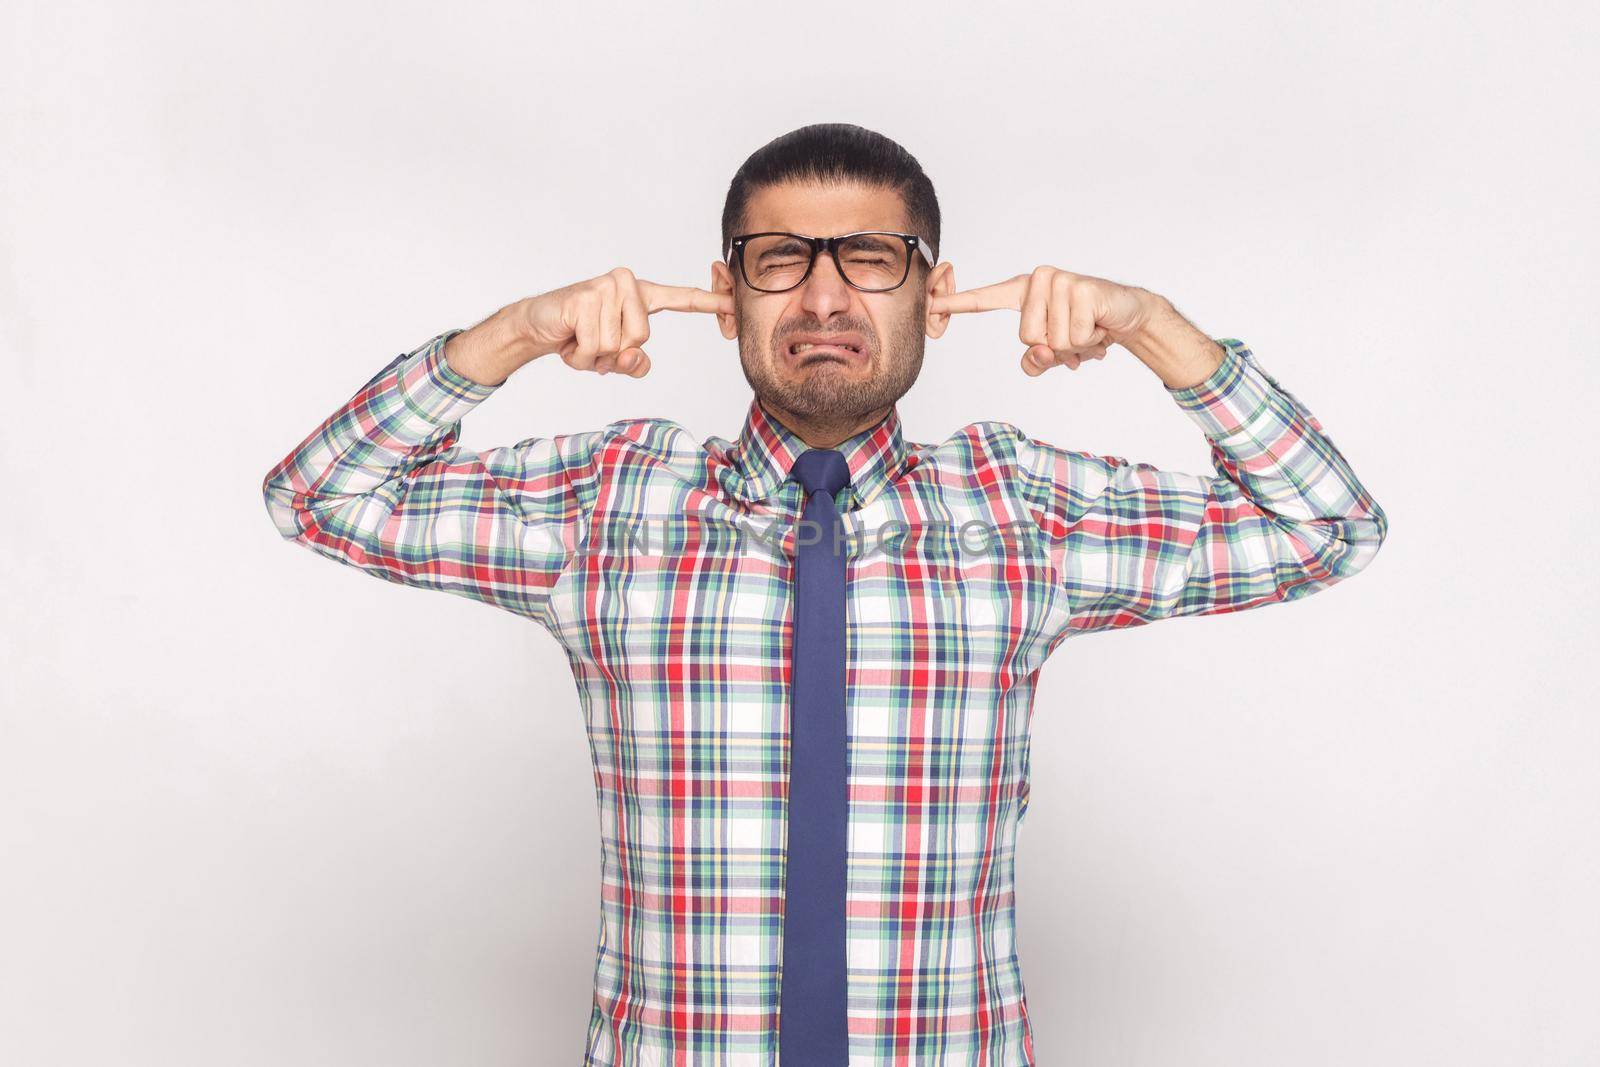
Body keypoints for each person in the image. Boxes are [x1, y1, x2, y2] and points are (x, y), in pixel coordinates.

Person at [261, 122, 1388, 1066]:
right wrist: (506, 337)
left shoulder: (1018, 507)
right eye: (780, 259)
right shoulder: (606, 503)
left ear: (935, 293)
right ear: (724, 291)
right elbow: (316, 497)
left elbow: (1327, 526)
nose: (823, 296)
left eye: (871, 258)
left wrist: (1154, 328)